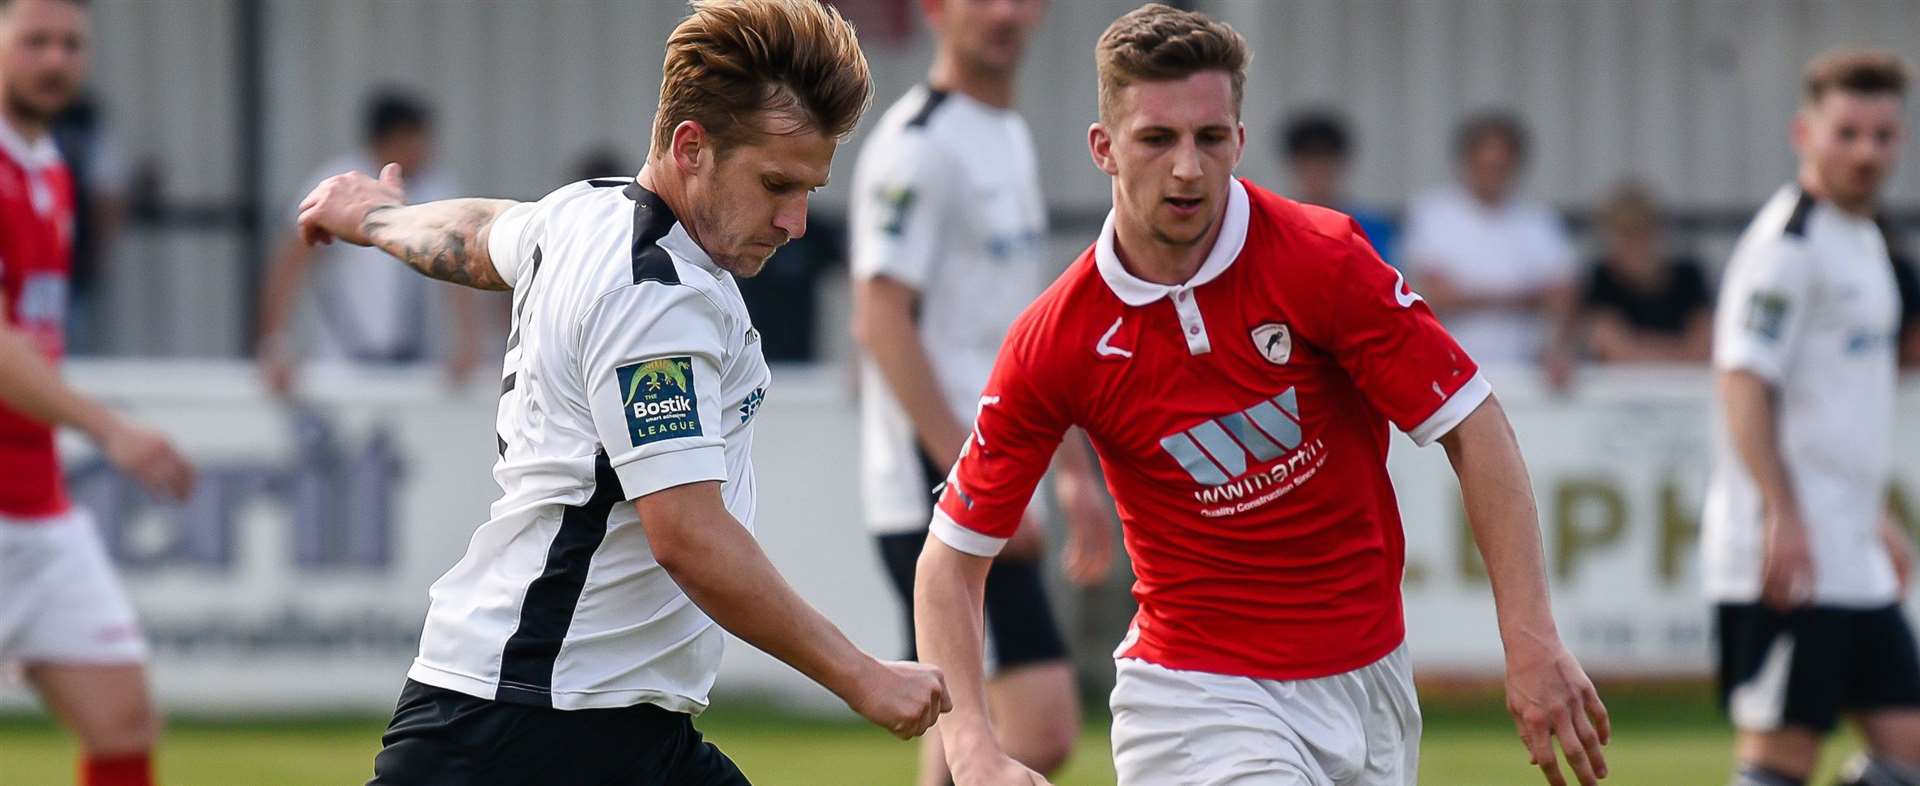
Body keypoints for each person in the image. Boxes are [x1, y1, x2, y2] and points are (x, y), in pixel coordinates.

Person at [912, 5, 1609, 786]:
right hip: (1195, 698)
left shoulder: (1323, 259)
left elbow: (1474, 427)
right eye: (1156, 139)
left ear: (1239, 141)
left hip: (1370, 685)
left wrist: (1532, 640)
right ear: (1104, 149)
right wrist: (973, 749)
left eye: (1210, 139)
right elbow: (949, 564)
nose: (1186, 168)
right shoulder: (1059, 336)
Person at [293, 2, 951, 783]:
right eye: (777, 183)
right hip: (527, 725)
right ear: (691, 147)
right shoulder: (656, 299)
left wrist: (376, 219)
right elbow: (688, 536)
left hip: (600, 720)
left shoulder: (585, 211)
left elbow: (481, 235)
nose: (796, 220)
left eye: (809, 188)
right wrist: (862, 675)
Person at [848, 1, 1111, 783]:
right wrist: (975, 477)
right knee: (1040, 721)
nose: (1004, 12)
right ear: (932, 9)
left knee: (960, 732)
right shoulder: (914, 148)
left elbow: (1027, 336)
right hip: (934, 486)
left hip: (995, 475)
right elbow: (879, 321)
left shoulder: (1006, 135)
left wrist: (1068, 468)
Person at [1702, 49, 1920, 786]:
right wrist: (1781, 513)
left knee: (1908, 748)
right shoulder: (1784, 246)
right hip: (1788, 551)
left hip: (1848, 545)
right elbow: (1742, 379)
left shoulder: (1864, 239)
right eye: (1848, 132)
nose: (1867, 151)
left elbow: (1840, 403)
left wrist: (1876, 517)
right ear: (1806, 132)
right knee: (1781, 761)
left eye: (1883, 135)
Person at [0, 2, 196, 785]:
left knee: (124, 722)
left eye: (71, 44)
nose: (55, 59)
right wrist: (109, 429)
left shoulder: (49, 168)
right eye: (34, 40)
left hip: (36, 503)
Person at [256, 90, 484, 395]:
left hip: (418, 365)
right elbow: (290, 266)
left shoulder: (437, 189)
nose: (424, 151)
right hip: (340, 364)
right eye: (416, 141)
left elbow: (462, 271)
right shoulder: (338, 184)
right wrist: (276, 346)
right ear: (392, 139)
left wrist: (469, 344)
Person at [1402, 111, 1578, 374]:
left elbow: (1563, 298)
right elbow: (1435, 296)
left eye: (1501, 166)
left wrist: (1557, 349)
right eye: (1485, 165)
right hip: (1449, 376)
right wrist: (1526, 297)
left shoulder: (1538, 221)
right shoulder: (1433, 214)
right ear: (1466, 161)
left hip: (1526, 374)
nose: (1492, 173)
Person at [1574, 182, 1712, 364]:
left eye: (1642, 230)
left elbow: (1702, 348)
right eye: (1625, 233)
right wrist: (1675, 349)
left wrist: (1638, 345)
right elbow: (1615, 349)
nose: (1635, 243)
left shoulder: (1688, 277)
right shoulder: (1602, 281)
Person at [1277, 109, 1397, 266]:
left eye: (1325, 162)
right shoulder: (1276, 228)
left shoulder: (1371, 229)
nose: (1317, 171)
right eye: (1309, 162)